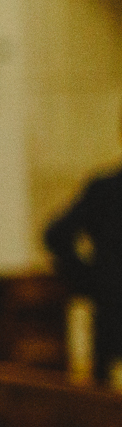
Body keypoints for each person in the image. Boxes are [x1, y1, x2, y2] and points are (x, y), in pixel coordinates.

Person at [44, 121, 122, 385]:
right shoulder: (105, 189)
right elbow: (55, 234)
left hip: (112, 309)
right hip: (111, 308)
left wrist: (89, 278)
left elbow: (56, 235)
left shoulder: (104, 189)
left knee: (101, 399)